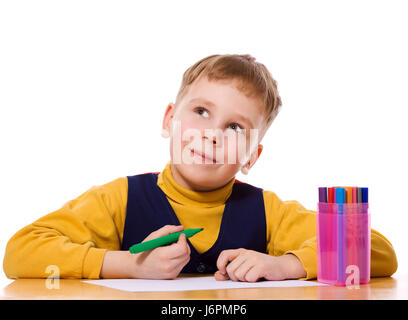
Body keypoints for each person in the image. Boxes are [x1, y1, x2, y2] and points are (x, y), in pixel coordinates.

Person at [3, 54, 398, 282]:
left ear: (251, 156)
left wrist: (286, 264)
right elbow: (20, 253)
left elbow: (378, 250)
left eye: (234, 127)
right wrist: (126, 264)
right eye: (201, 112)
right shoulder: (119, 199)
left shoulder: (268, 211)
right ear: (169, 119)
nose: (211, 135)